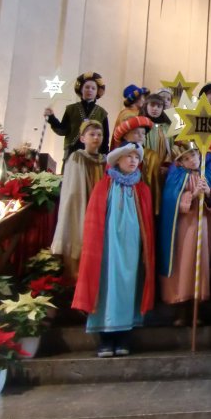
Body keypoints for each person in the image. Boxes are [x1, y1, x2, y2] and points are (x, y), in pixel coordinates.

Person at [72, 142, 155, 358]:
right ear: (117, 160)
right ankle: (106, 338)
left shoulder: (142, 189)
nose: (133, 160)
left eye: (136, 157)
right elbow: (94, 219)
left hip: (132, 247)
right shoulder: (105, 186)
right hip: (108, 247)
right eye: (128, 156)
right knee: (107, 285)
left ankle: (124, 335)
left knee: (129, 286)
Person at [157, 142, 211, 324]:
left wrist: (208, 192)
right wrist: (193, 195)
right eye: (186, 158)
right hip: (183, 228)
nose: (191, 160)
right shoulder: (176, 177)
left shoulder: (208, 175)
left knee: (199, 265)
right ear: (180, 163)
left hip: (203, 225)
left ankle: (196, 311)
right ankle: (181, 310)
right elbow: (171, 202)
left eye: (193, 156)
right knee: (183, 265)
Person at [50, 121, 106, 280]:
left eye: (99, 135)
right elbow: (74, 188)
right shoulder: (76, 157)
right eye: (92, 135)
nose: (96, 138)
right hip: (82, 204)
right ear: (82, 138)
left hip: (100, 206)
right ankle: (77, 277)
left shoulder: (106, 160)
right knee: (78, 232)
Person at [45, 72, 109, 164]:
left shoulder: (102, 113)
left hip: (94, 155)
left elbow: (105, 138)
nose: (90, 90)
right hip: (72, 153)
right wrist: (51, 118)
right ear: (81, 89)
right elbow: (63, 130)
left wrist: (104, 157)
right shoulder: (71, 109)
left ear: (97, 92)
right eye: (87, 87)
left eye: (93, 88)